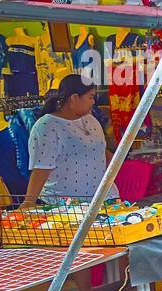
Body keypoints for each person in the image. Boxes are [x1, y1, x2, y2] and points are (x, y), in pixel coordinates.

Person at [21, 73, 116, 207]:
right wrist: (29, 202)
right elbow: (41, 168)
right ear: (74, 98)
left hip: (104, 199)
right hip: (65, 207)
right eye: (90, 97)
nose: (93, 102)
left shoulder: (91, 120)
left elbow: (100, 151)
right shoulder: (47, 126)